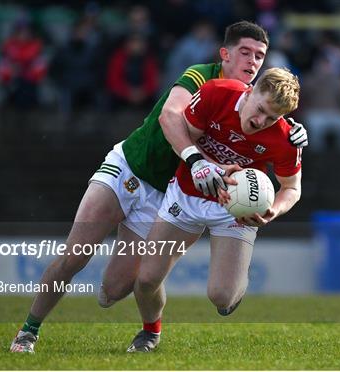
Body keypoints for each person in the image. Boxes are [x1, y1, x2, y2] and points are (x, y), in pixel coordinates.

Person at [10, 21, 307, 353]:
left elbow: (268, 134)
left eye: (260, 57)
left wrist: (288, 129)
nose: (252, 62)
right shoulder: (202, 78)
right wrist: (199, 161)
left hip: (165, 193)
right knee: (75, 255)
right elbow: (170, 115)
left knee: (114, 291)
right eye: (245, 53)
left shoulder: (258, 107)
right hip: (131, 167)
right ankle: (28, 330)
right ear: (224, 54)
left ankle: (152, 329)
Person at [128, 67, 302, 352]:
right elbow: (185, 138)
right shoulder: (217, 93)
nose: (261, 121)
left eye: (272, 117)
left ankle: (235, 288)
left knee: (222, 296)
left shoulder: (286, 138)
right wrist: (207, 165)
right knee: (146, 279)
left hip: (236, 209)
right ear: (251, 89)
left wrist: (273, 210)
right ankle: (150, 332)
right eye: (260, 110)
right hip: (186, 193)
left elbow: (292, 188)